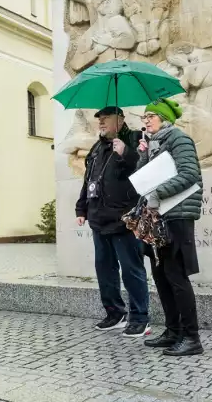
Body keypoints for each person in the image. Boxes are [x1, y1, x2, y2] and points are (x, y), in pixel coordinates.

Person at [75, 106, 151, 337]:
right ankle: (115, 313)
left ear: (120, 120)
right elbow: (89, 179)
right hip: (99, 219)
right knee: (104, 269)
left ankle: (140, 318)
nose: (100, 123)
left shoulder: (136, 138)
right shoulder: (98, 147)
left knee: (131, 270)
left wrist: (126, 153)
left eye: (106, 119)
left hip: (125, 219)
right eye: (99, 119)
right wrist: (81, 208)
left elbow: (145, 168)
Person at [138, 98, 204, 356]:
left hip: (177, 216)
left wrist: (159, 193)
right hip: (158, 219)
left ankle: (192, 338)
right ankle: (173, 331)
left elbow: (189, 174)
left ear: (164, 118)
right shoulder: (153, 145)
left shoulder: (179, 139)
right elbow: (141, 178)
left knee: (176, 276)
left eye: (151, 116)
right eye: (144, 117)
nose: (146, 120)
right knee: (161, 275)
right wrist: (143, 153)